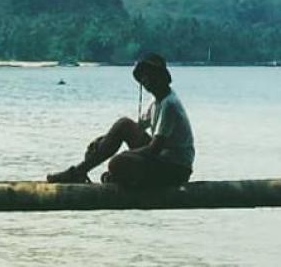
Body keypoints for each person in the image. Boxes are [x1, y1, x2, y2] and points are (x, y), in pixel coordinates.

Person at [46, 53, 194, 188]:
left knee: (117, 163)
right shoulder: (156, 101)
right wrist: (103, 142)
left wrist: (125, 155)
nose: (146, 80)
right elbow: (136, 127)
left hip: (176, 168)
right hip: (161, 158)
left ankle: (120, 177)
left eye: (150, 75)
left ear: (161, 77)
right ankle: (78, 172)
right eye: (144, 76)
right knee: (124, 124)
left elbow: (154, 148)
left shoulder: (169, 105)